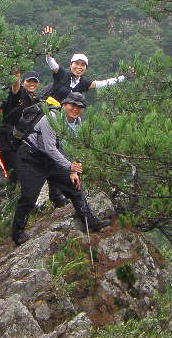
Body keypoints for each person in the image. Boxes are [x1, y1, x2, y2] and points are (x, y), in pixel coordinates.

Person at [10, 96, 109, 246]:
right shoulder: (51, 118)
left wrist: (73, 171)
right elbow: (50, 148)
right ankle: (17, 233)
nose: (76, 109)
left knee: (74, 186)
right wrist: (69, 167)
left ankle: (90, 221)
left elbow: (71, 146)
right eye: (72, 105)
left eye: (80, 106)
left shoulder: (77, 122)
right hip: (30, 158)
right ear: (64, 105)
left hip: (50, 159)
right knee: (29, 197)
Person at [40, 25, 133, 104]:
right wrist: (49, 42)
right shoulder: (61, 74)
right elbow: (50, 60)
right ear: (70, 65)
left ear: (86, 68)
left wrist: (124, 77)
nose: (79, 67)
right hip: (49, 113)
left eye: (83, 65)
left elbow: (104, 83)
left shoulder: (83, 83)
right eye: (76, 63)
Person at [0, 69, 43, 188]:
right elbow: (15, 90)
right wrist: (16, 76)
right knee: (15, 175)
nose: (32, 84)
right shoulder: (17, 95)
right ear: (22, 82)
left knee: (22, 175)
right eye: (29, 81)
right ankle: (14, 203)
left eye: (35, 82)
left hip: (21, 144)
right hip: (7, 142)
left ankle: (22, 204)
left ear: (39, 84)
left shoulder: (36, 101)